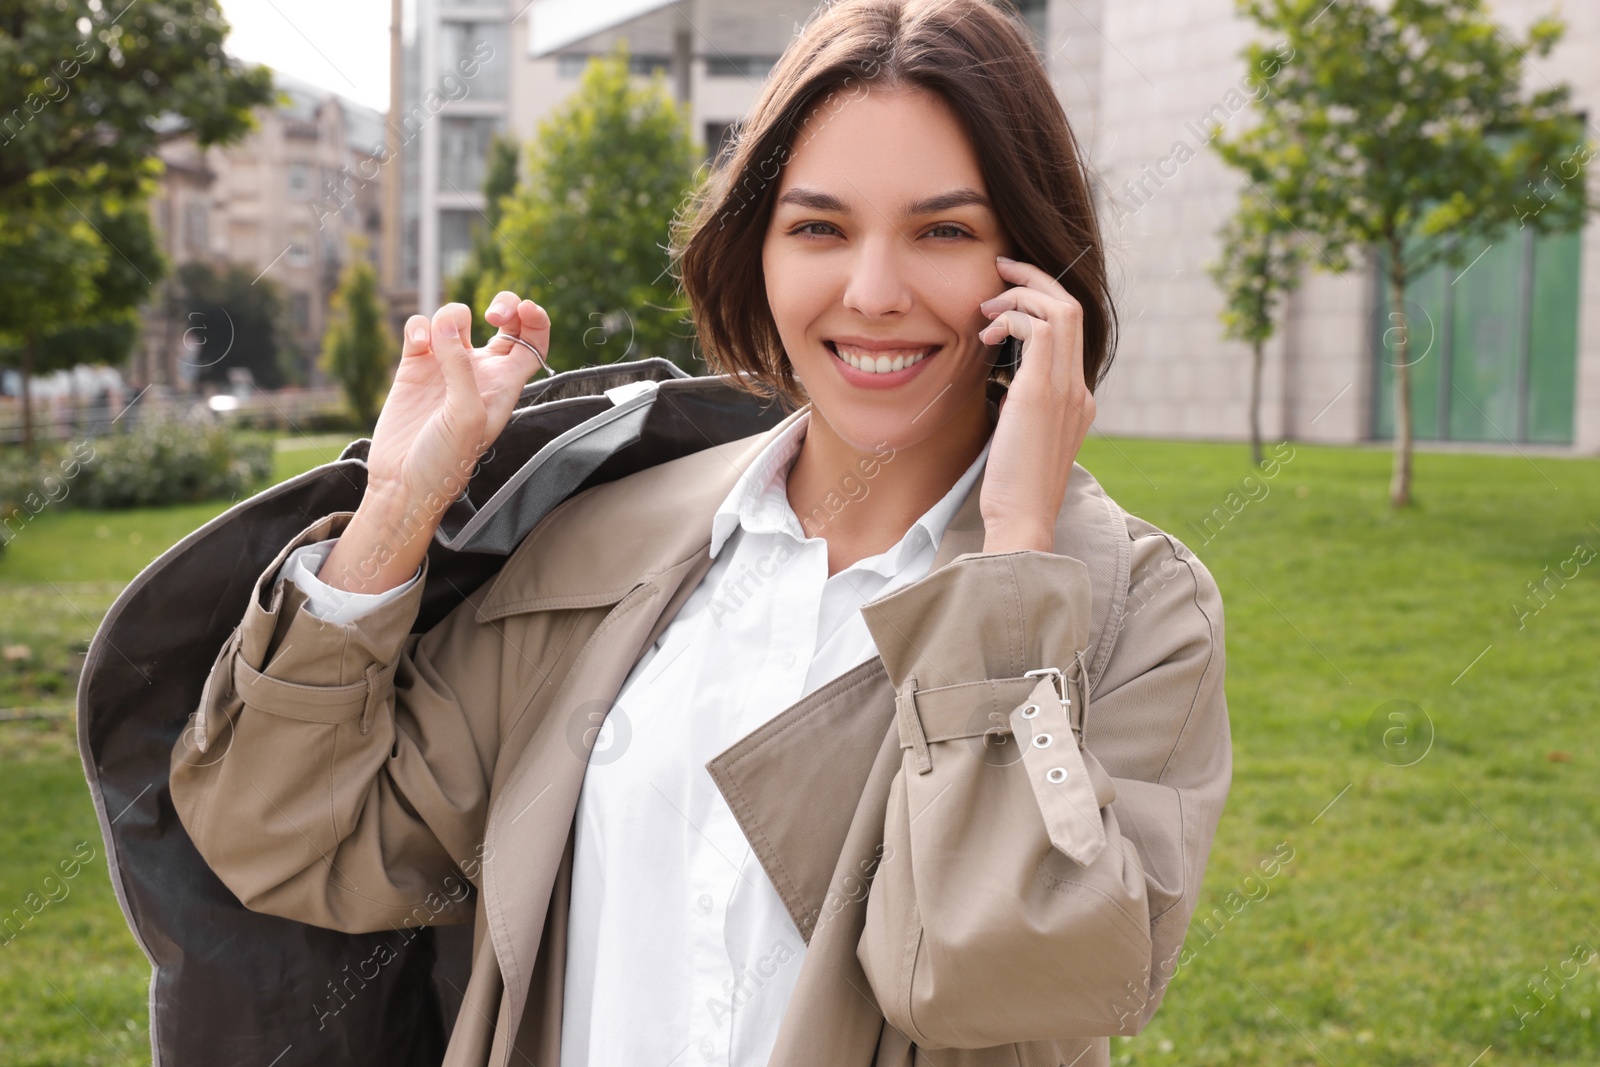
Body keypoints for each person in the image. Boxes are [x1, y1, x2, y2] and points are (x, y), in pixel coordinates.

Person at [168, 1, 1232, 1065]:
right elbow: (295, 833)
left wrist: (1010, 562)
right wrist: (398, 509)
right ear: (755, 253)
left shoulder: (1132, 606)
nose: (872, 292)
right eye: (817, 227)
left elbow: (989, 973)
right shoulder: (605, 547)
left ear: (1033, 267)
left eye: (942, 231)